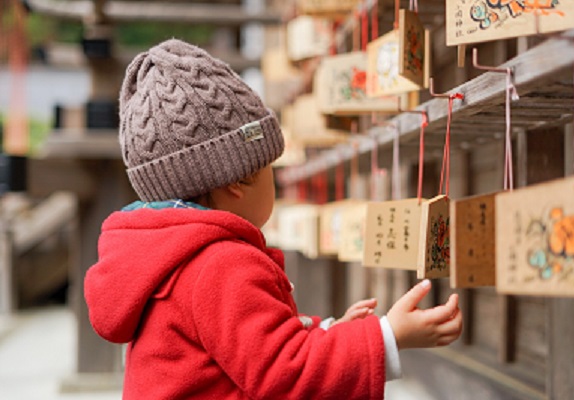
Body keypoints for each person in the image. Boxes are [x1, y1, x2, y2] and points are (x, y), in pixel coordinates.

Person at [84, 39, 463, 400]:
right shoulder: (219, 265)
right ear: (238, 180)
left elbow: (251, 350)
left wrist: (330, 333)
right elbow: (285, 373)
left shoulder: (169, 258)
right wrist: (387, 337)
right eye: (270, 169)